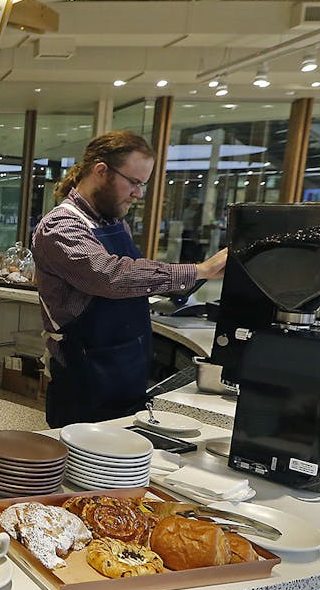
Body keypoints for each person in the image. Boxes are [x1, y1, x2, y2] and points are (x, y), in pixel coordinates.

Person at [31, 130, 228, 428]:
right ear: (100, 171)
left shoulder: (113, 222)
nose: (139, 194)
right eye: (134, 182)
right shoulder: (61, 226)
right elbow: (111, 275)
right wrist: (198, 270)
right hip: (86, 374)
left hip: (125, 367)